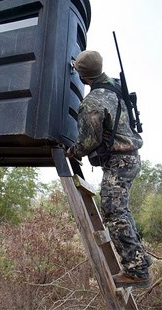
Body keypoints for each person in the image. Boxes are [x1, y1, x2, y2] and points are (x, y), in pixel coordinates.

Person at [66, 50, 152, 288]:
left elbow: (88, 142)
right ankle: (139, 259)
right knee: (121, 211)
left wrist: (72, 151)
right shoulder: (115, 84)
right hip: (131, 158)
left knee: (114, 214)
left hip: (119, 161)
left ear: (83, 78)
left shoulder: (92, 103)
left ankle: (137, 271)